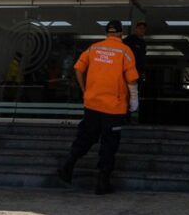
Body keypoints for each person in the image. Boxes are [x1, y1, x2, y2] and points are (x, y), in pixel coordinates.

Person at [57, 20, 139, 195]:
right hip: (113, 108)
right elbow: (132, 79)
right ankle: (102, 183)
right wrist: (134, 100)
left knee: (85, 137)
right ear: (121, 33)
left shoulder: (93, 48)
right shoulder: (125, 51)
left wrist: (84, 90)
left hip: (92, 104)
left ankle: (67, 166)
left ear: (106, 33)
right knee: (109, 144)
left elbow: (78, 69)